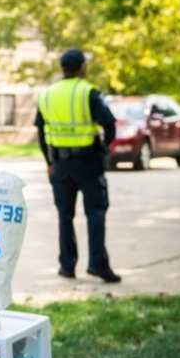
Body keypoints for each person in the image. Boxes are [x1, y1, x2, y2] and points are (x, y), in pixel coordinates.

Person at [35, 48, 120, 283]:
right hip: (88, 162)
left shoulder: (47, 95)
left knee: (65, 215)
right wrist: (103, 148)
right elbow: (110, 125)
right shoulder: (88, 92)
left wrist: (49, 162)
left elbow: (41, 132)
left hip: (60, 164)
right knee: (95, 212)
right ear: (82, 67)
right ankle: (98, 265)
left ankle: (67, 266)